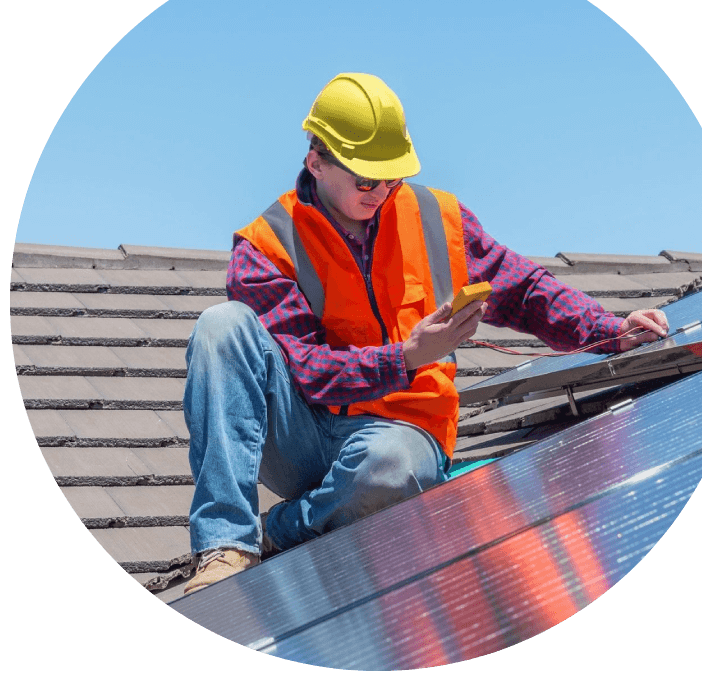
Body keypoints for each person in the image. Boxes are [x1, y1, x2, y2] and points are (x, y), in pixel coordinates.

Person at [182, 72, 668, 595]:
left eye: (391, 178)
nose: (382, 192)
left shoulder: (437, 218)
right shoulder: (267, 245)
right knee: (220, 326)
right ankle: (226, 545)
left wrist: (609, 330)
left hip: (400, 440)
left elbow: (524, 290)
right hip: (302, 435)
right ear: (316, 162)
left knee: (392, 471)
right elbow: (309, 371)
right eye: (366, 181)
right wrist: (407, 357)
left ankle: (278, 530)